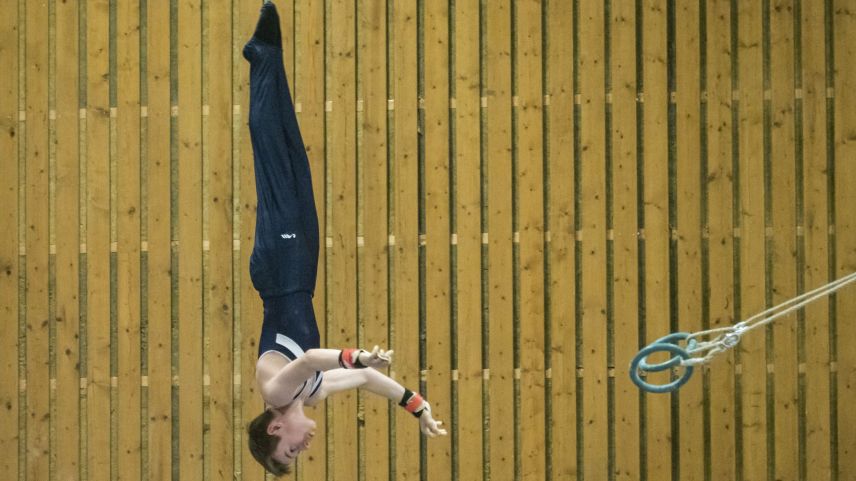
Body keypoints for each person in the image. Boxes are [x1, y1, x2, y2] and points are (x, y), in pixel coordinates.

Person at [243, 2, 447, 476]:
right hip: (299, 269)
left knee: (273, 156)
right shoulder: (309, 392)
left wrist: (354, 352)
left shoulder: (277, 393)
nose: (303, 447)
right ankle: (269, 58)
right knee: (293, 156)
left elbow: (317, 356)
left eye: (290, 450)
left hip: (280, 266)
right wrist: (416, 406)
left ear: (275, 430)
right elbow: (362, 379)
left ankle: (262, 56)